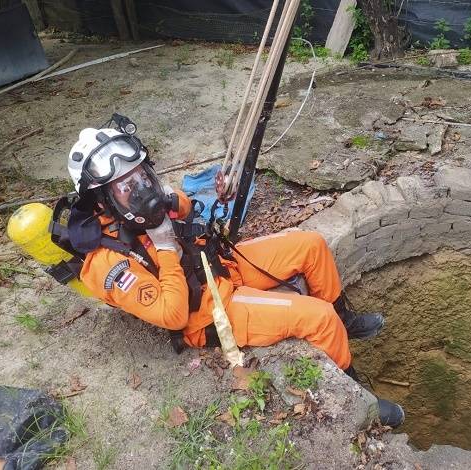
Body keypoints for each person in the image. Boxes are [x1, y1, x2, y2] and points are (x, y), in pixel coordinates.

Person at [66, 126, 404, 427]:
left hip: (219, 265)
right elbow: (172, 314)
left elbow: (183, 205)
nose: (141, 189)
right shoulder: (106, 263)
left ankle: (344, 319)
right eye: (127, 186)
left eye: (142, 175)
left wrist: (173, 202)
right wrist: (165, 246)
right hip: (210, 309)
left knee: (310, 244)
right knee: (319, 318)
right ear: (101, 200)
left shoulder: (144, 204)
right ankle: (361, 399)